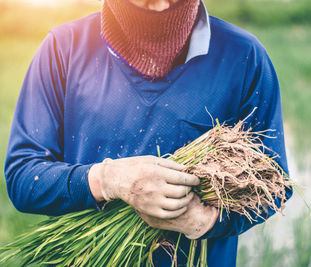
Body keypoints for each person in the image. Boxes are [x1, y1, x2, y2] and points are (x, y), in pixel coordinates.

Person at [4, 0, 292, 266]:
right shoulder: (63, 48)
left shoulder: (243, 57)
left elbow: (275, 182)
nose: (160, 6)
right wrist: (108, 180)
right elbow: (23, 176)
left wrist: (205, 220)